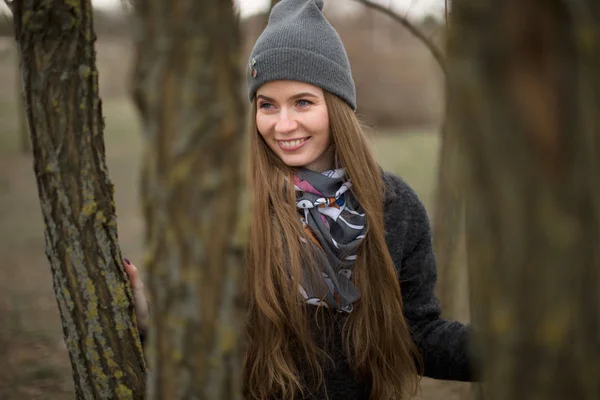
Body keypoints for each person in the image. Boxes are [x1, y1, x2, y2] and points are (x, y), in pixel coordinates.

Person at [124, 0, 477, 399]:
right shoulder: (232, 207)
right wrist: (146, 322)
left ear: (337, 104)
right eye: (267, 105)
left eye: (302, 102)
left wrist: (521, 351)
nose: (283, 124)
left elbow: (419, 336)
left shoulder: (394, 207)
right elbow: (202, 343)